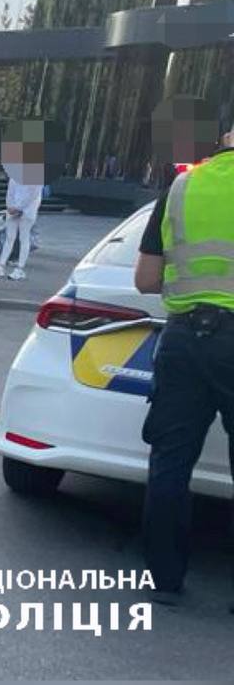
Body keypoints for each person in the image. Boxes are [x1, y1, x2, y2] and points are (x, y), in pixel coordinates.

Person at [133, 129, 234, 609]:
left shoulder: (182, 187)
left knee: (170, 461)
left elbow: (146, 278)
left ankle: (164, 579)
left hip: (183, 339)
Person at [0, 176, 43, 280]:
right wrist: (11, 206)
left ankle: (16, 268)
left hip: (26, 211)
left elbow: (32, 195)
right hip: (19, 209)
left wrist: (14, 207)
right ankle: (3, 267)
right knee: (12, 238)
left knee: (22, 238)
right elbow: (10, 192)